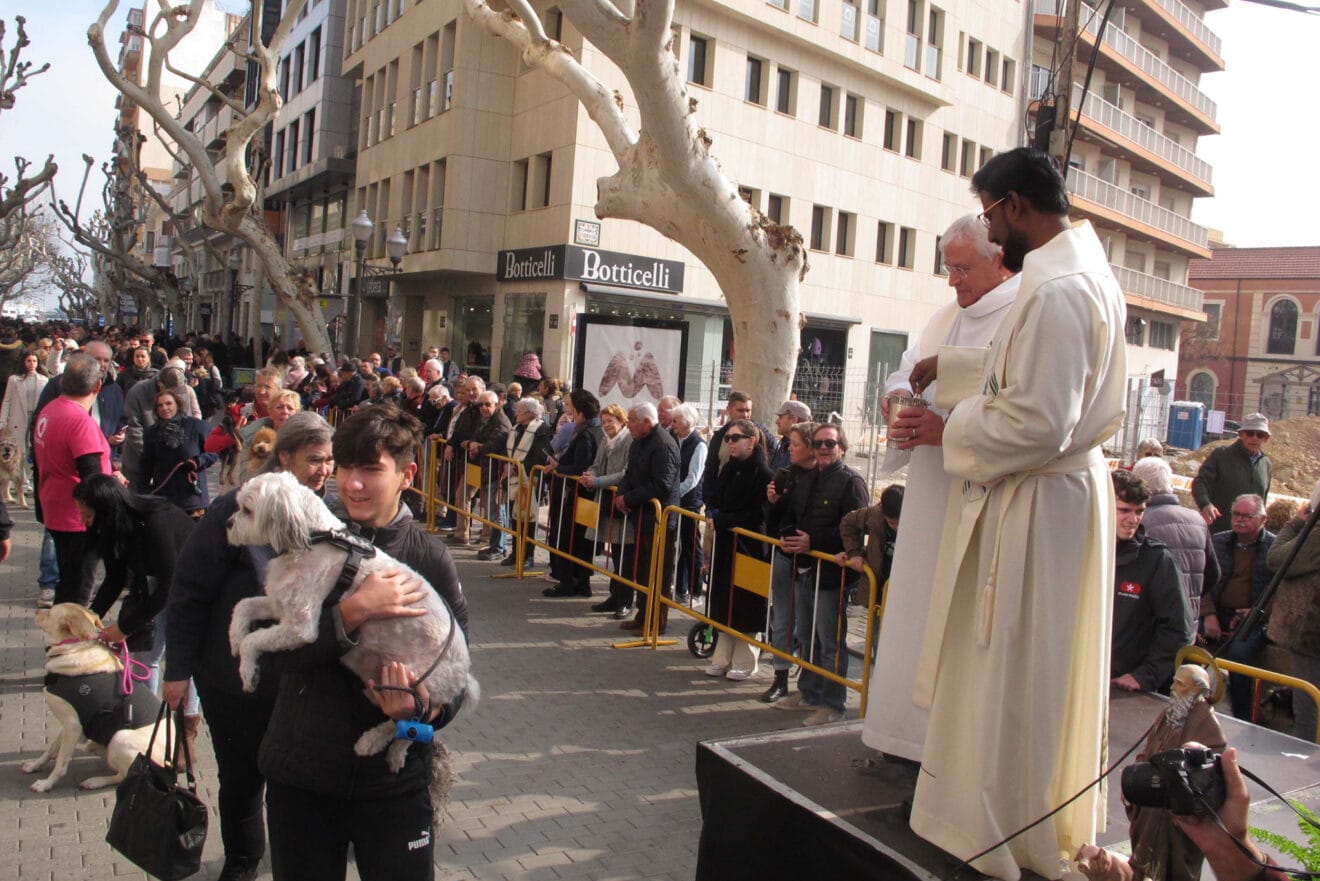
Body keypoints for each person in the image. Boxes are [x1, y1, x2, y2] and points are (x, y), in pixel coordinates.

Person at [899, 147, 1127, 880]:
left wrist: (951, 426)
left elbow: (1039, 421)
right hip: (1052, 495)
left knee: (1013, 666)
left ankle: (1000, 823)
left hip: (1038, 502)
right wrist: (957, 368)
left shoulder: (1058, 289)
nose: (993, 236)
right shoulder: (1075, 271)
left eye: (991, 216)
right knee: (1016, 664)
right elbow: (1031, 371)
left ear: (1016, 205)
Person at [258, 405, 469, 881]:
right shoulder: (306, 540)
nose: (352, 484)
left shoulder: (429, 558)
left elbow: (457, 675)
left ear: (406, 475)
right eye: (345, 467)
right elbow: (270, 658)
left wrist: (422, 709)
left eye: (371, 469)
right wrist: (351, 613)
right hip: (303, 774)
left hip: (392, 783)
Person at [861, 213, 1019, 762]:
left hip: (984, 499)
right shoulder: (946, 317)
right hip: (932, 496)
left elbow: (1022, 414)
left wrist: (947, 429)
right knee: (916, 613)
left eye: (962, 269)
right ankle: (904, 738)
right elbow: (904, 371)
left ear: (1000, 259)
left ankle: (949, 753)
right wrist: (896, 398)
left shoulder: (1024, 314)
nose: (953, 281)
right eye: (948, 268)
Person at [163, 413, 336, 881]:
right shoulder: (234, 509)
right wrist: (177, 670)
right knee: (241, 777)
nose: (324, 470)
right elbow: (189, 592)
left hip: (298, 679)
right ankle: (242, 861)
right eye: (314, 459)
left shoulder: (327, 513)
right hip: (232, 679)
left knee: (291, 780)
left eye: (329, 460)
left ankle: (291, 861)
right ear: (285, 457)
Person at [75, 474, 198, 744]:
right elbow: (115, 578)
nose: (84, 522)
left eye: (88, 515)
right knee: (144, 656)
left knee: (183, 660)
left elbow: (169, 585)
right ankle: (148, 724)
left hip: (190, 585)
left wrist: (124, 627)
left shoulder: (154, 521)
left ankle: (186, 732)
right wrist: (91, 616)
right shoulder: (111, 528)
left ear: (106, 510)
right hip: (155, 584)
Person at [773, 422, 868, 726]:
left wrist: (814, 542)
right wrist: (787, 537)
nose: (823, 449)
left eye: (830, 443)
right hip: (804, 569)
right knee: (808, 637)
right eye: (818, 444)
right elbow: (792, 515)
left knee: (830, 642)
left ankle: (833, 704)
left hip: (831, 576)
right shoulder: (807, 479)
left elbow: (854, 531)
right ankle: (809, 692)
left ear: (843, 448)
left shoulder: (852, 482)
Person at [32, 353, 114, 607]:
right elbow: (92, 479)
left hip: (55, 509)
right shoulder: (79, 421)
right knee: (77, 595)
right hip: (78, 520)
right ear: (97, 386)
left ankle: (59, 629)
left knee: (67, 585)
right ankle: (68, 632)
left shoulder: (49, 410)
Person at [1110, 470, 1192, 694]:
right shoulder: (1076, 551)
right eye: (1124, 510)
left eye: (1139, 511)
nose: (1133, 519)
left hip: (1123, 688)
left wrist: (1146, 675)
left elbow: (1178, 627)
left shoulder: (1156, 560)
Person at [703, 418, 773, 681]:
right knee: (723, 598)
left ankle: (745, 660)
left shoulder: (763, 474)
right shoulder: (729, 469)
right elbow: (717, 497)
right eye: (727, 438)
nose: (730, 443)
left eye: (735, 438)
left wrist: (723, 519)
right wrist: (713, 511)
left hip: (750, 547)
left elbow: (758, 514)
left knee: (746, 603)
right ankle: (721, 657)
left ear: (751, 441)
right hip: (726, 543)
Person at [1202, 493, 1275, 720]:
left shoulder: (1274, 547)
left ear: (1263, 519)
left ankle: (1242, 718)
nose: (1239, 520)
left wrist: (1256, 613)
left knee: (1239, 655)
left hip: (1254, 618)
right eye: (1236, 514)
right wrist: (1208, 614)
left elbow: (1279, 591)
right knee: (1187, 641)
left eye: (1247, 516)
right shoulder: (1219, 541)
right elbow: (1202, 580)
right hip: (1217, 612)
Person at [761, 421, 817, 703]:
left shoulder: (823, 477)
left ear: (811, 447)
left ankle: (808, 682)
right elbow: (774, 521)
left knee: (807, 625)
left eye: (795, 444)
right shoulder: (787, 474)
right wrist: (773, 502)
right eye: (790, 444)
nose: (790, 449)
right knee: (782, 619)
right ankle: (780, 678)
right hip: (784, 555)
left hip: (811, 562)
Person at [615, 402, 680, 633]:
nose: (628, 425)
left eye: (632, 420)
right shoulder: (638, 442)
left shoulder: (663, 444)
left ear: (646, 421)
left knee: (658, 572)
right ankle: (643, 614)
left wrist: (630, 498)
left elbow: (662, 484)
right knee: (643, 569)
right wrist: (622, 495)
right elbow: (629, 473)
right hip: (641, 516)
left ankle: (656, 622)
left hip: (660, 519)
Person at [1131, 457, 1219, 618]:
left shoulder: (1135, 522)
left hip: (1147, 620)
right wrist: (1190, 595)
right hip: (1188, 618)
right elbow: (1213, 574)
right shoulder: (1198, 520)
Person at [1265, 484, 1320, 743]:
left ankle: (1303, 760)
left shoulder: (1316, 537)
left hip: (1311, 634)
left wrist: (1297, 523)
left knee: (1307, 711)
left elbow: (1277, 560)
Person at [543, 390, 606, 597]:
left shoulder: (586, 434)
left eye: (573, 411)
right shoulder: (598, 431)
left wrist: (559, 467)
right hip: (587, 496)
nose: (570, 415)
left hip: (579, 496)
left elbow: (580, 467)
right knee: (583, 541)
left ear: (581, 414)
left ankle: (569, 582)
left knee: (569, 539)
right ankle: (581, 582)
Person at [582, 403, 635, 615]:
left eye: (610, 421)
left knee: (625, 555)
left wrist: (598, 481)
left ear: (621, 421)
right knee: (614, 551)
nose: (606, 426)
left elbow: (625, 472)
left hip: (622, 502)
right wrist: (590, 475)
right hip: (606, 500)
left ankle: (625, 600)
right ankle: (615, 595)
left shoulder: (629, 440)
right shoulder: (605, 440)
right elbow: (596, 464)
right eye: (604, 422)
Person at [138, 388, 217, 517]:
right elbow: (146, 465)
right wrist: (144, 494)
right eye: (160, 405)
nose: (164, 408)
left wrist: (197, 462)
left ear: (177, 404)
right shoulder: (151, 433)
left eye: (168, 403)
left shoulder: (197, 426)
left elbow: (213, 453)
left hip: (192, 497)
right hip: (164, 497)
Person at [1191, 413, 1272, 534]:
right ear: (1241, 435)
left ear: (1265, 439)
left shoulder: (1266, 464)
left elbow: (1263, 500)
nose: (1254, 438)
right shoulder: (1221, 455)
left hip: (1250, 535)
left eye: (1260, 435)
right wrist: (1205, 504)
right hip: (1220, 531)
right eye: (1250, 433)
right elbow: (1199, 482)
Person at [501, 396, 554, 568]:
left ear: (530, 414)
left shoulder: (542, 430)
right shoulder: (516, 428)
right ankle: (516, 553)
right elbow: (508, 449)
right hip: (514, 479)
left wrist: (518, 468)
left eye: (520, 411)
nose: (516, 413)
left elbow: (541, 455)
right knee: (515, 517)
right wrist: (507, 464)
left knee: (529, 519)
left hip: (531, 479)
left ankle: (528, 556)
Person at [465, 390, 512, 562]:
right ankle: (495, 545)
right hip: (486, 470)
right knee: (491, 511)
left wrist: (478, 447)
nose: (483, 408)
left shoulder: (500, 421)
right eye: (481, 405)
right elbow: (477, 436)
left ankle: (499, 547)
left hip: (496, 472)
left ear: (496, 404)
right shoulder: (484, 419)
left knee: (497, 512)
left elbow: (496, 443)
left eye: (487, 404)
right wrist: (473, 444)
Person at [671, 403, 708, 605]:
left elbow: (693, 478)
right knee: (679, 547)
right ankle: (681, 588)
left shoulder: (699, 445)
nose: (673, 424)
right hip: (675, 501)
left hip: (689, 503)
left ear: (687, 422)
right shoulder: (675, 439)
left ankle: (696, 591)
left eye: (676, 421)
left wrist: (674, 494)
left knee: (692, 547)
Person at [0, 350, 48, 501]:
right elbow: (7, 400)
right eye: (29, 361)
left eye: (34, 361)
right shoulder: (14, 380)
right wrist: (2, 421)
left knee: (33, 449)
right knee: (19, 451)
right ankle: (24, 483)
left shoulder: (44, 380)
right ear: (23, 362)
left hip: (37, 418)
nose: (32, 364)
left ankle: (26, 480)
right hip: (18, 418)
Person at [768, 400, 811, 472]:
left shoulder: (802, 452)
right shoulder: (784, 443)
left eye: (780, 417)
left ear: (794, 420)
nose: (776, 422)